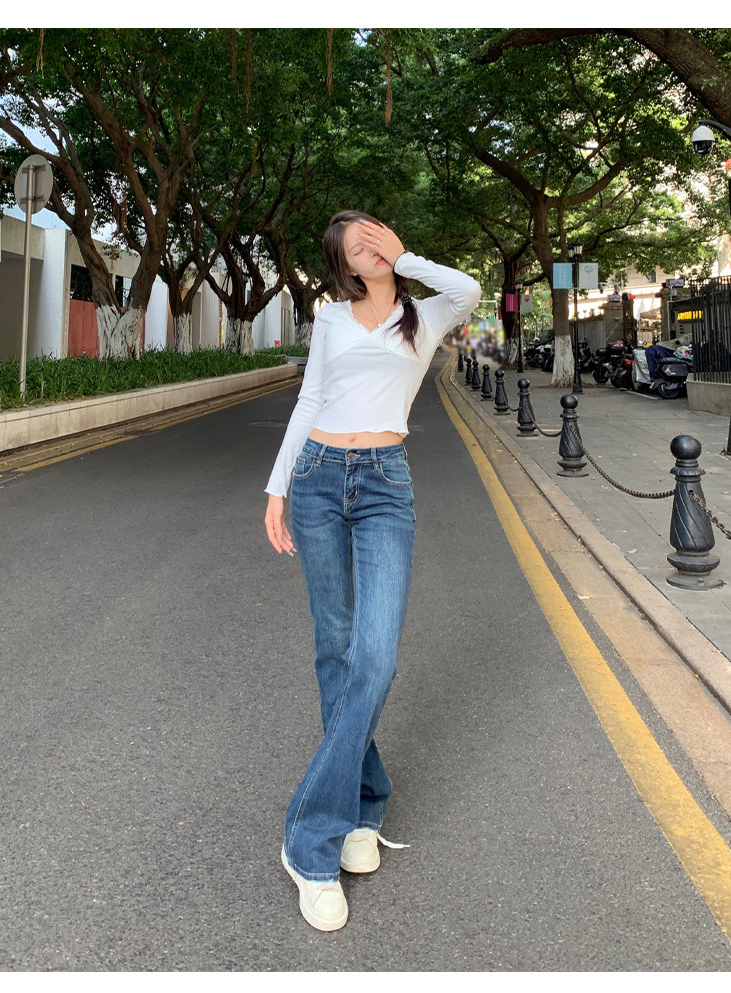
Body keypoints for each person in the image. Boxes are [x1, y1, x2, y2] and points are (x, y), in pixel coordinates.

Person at [264, 209, 481, 931]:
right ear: (344, 266)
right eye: (357, 246)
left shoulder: (426, 315)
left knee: (376, 656)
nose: (372, 247)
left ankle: (308, 836)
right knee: (335, 648)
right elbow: (310, 400)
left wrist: (407, 256)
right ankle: (360, 807)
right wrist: (277, 487)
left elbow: (470, 288)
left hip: (386, 483)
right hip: (318, 478)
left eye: (378, 235)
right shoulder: (329, 318)